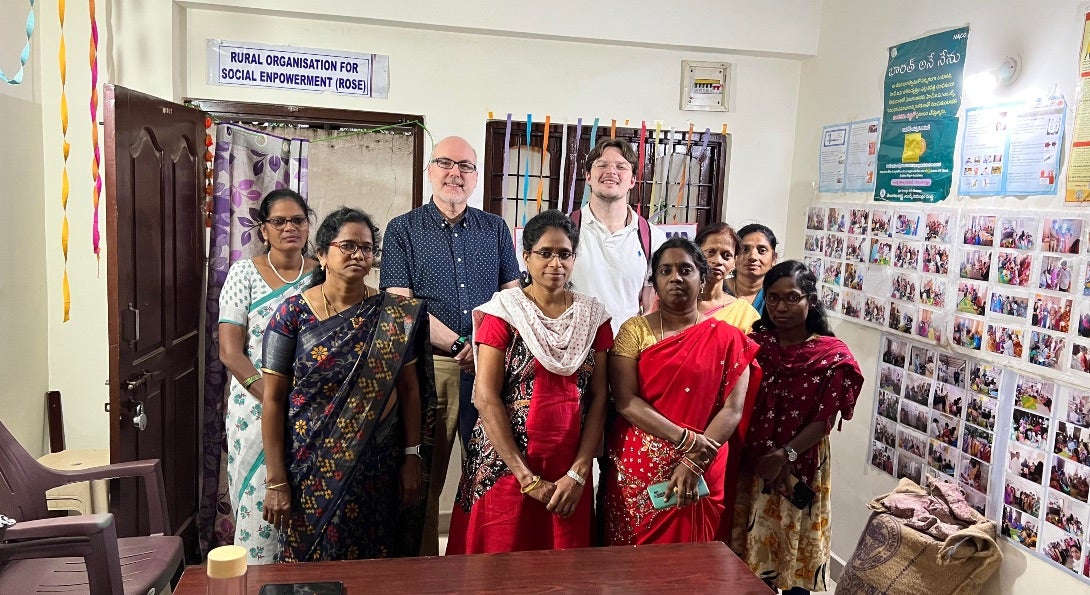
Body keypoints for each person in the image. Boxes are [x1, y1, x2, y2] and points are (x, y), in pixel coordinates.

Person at [260, 207, 436, 561]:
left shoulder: (396, 315)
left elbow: (411, 390)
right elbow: (274, 401)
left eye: (368, 248)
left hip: (378, 467)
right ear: (323, 254)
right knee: (310, 566)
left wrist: (412, 458)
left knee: (376, 564)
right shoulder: (292, 314)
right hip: (309, 465)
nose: (359, 254)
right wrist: (276, 480)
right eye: (349, 245)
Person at [380, 136, 522, 555]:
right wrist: (464, 343)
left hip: (492, 369)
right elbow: (401, 305)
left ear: (476, 176)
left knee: (493, 471)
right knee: (424, 480)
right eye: (445, 163)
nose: (454, 173)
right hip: (433, 368)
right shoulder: (403, 229)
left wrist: (484, 347)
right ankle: (421, 571)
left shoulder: (494, 229)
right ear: (430, 170)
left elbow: (512, 297)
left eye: (465, 166)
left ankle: (484, 561)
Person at [446, 210, 612, 554]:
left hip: (569, 467)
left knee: (562, 567)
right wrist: (525, 477)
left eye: (564, 254)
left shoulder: (594, 316)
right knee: (497, 565)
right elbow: (485, 396)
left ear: (574, 258)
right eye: (545, 253)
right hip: (505, 463)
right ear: (526, 257)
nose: (555, 263)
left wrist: (580, 472)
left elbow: (599, 398)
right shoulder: (504, 311)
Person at [603, 238, 760, 545]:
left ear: (703, 279)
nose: (675, 277)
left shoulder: (729, 338)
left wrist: (694, 460)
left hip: (704, 460)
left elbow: (732, 409)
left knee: (692, 562)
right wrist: (686, 440)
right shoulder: (634, 331)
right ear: (655, 283)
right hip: (640, 467)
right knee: (630, 564)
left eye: (685, 269)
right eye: (666, 271)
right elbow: (625, 401)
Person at [731, 260, 864, 594]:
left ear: (811, 301)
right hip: (755, 462)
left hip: (801, 463)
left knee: (794, 554)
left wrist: (784, 455)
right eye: (772, 298)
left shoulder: (831, 355)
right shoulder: (755, 346)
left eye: (791, 298)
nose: (780, 307)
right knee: (752, 555)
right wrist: (766, 456)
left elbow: (823, 421)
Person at [217, 189, 318, 564]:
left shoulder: (321, 273)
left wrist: (299, 402)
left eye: (298, 220)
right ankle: (258, 578)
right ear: (264, 229)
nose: (289, 228)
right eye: (279, 221)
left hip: (311, 407)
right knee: (260, 503)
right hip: (254, 406)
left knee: (306, 504)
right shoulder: (244, 272)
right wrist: (274, 397)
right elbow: (230, 351)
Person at [569, 138, 667, 336]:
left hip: (626, 350)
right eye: (602, 165)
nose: (611, 172)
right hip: (573, 346)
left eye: (621, 166)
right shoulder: (564, 229)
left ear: (632, 180)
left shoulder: (653, 238)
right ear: (588, 176)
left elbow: (650, 307)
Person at [694, 222, 760, 332]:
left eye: (726, 256)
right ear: (695, 254)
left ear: (734, 262)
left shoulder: (743, 314)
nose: (718, 261)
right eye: (710, 252)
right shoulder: (675, 303)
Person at [729, 223, 779, 314]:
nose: (753, 257)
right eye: (745, 249)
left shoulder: (777, 297)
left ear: (774, 258)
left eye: (762, 250)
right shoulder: (718, 290)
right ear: (734, 255)